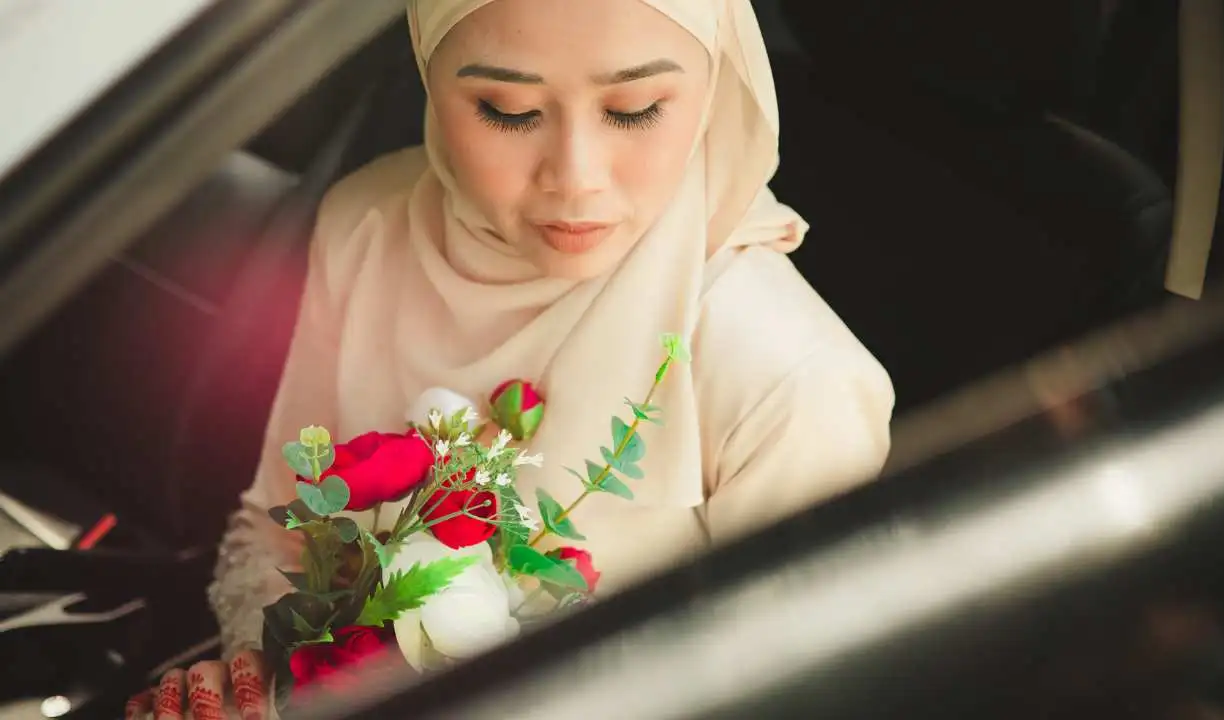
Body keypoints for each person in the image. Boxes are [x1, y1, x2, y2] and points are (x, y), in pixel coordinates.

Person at [126, 0, 894, 716]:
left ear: (714, 85)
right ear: (429, 72)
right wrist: (268, 683)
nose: (576, 177)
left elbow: (783, 696)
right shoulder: (366, 227)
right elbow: (280, 527)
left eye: (635, 111)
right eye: (509, 111)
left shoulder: (794, 381)